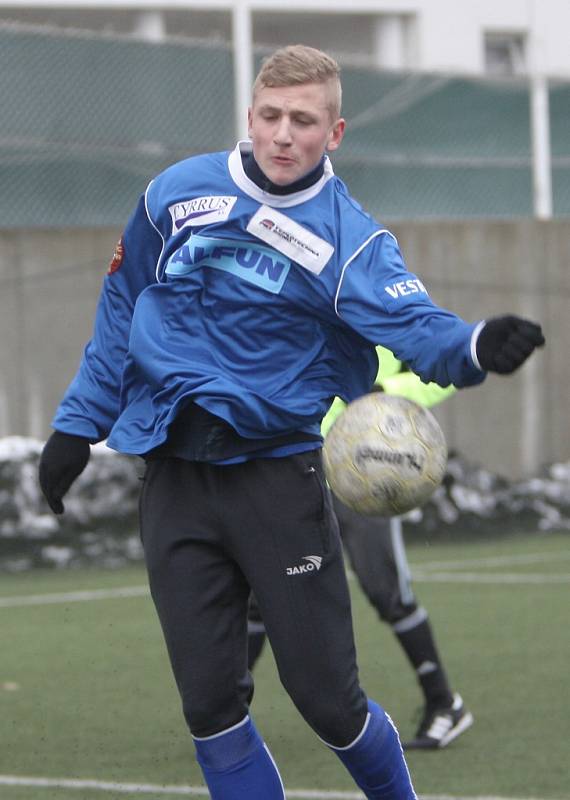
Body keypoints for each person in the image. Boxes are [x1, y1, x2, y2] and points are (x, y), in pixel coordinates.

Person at [38, 44, 544, 800]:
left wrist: (474, 346)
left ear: (333, 133)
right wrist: (79, 423)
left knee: (328, 705)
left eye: (303, 121)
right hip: (173, 480)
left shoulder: (352, 241)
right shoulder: (175, 195)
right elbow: (121, 306)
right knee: (209, 708)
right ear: (250, 116)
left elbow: (418, 327)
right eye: (270, 116)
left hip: (277, 482)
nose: (282, 134)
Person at [247, 346, 474, 751]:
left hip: (367, 473)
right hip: (297, 469)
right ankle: (230, 711)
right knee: (260, 593)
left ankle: (444, 702)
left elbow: (448, 370)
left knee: (387, 592)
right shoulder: (300, 298)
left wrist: (386, 387)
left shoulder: (391, 305)